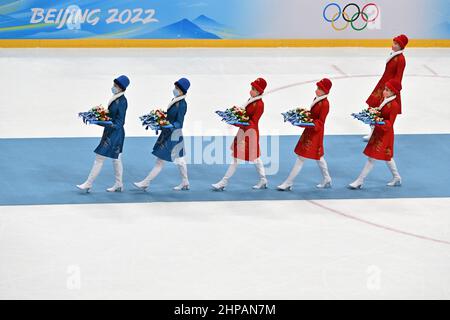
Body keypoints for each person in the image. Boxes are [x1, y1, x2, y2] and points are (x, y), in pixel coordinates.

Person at [134, 78, 190, 191]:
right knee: (179, 160)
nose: (175, 90)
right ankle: (185, 182)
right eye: (175, 87)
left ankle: (146, 182)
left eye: (177, 88)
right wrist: (160, 118)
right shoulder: (175, 100)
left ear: (182, 90)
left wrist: (166, 125)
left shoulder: (182, 104)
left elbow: (179, 123)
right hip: (169, 133)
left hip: (174, 135)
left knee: (161, 161)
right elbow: (170, 117)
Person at [77, 75, 130, 193]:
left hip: (115, 133)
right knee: (116, 159)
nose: (113, 87)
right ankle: (119, 184)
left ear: (121, 88)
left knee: (100, 158)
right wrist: (99, 118)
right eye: (113, 85)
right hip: (110, 132)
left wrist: (102, 122)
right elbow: (110, 116)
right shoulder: (116, 98)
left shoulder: (122, 101)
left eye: (115, 86)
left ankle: (88, 183)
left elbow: (120, 122)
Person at [277, 78, 333, 191]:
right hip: (310, 131)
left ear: (325, 91)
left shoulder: (325, 104)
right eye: (317, 88)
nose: (317, 90)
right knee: (319, 157)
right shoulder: (317, 99)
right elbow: (312, 115)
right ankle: (327, 179)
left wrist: (307, 122)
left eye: (319, 88)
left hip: (315, 133)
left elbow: (320, 122)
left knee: (301, 158)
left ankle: (288, 182)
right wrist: (302, 117)